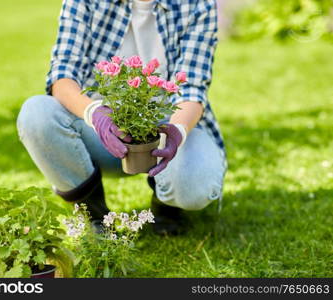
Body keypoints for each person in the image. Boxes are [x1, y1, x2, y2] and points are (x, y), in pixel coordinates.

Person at [17, 0, 227, 235]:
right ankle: (95, 217)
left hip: (167, 130)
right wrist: (94, 113)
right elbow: (63, 76)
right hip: (101, 131)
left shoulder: (198, 4)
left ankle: (167, 208)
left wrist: (177, 132)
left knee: (194, 186)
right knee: (36, 113)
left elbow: (193, 88)